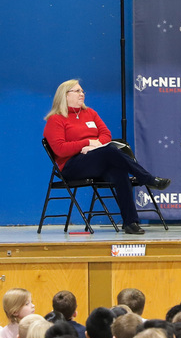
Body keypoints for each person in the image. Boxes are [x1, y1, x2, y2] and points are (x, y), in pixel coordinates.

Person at [43, 79, 170, 235]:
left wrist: (93, 146)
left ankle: (131, 222)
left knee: (119, 170)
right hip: (72, 166)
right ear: (65, 95)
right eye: (77, 91)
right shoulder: (55, 119)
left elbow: (106, 134)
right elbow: (60, 149)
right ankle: (148, 179)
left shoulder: (90, 113)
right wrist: (87, 142)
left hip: (97, 159)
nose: (82, 94)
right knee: (110, 151)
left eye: (82, 91)